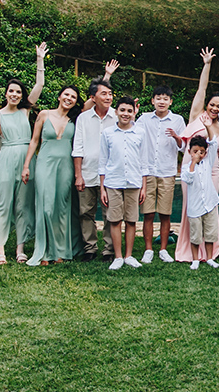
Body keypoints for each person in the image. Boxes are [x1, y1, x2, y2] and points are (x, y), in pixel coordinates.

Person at [0, 43, 47, 264]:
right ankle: (0, 249)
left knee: (23, 205)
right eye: (11, 91)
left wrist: (40, 58)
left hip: (27, 160)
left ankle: (20, 248)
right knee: (3, 204)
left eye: (18, 92)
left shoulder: (25, 111)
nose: (15, 94)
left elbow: (40, 83)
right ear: (6, 93)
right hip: (6, 159)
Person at [172, 48, 219, 265]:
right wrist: (207, 65)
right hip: (191, 169)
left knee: (210, 208)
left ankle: (210, 252)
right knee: (191, 207)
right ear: (207, 105)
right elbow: (201, 88)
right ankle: (191, 250)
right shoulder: (196, 116)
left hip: (212, 172)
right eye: (212, 104)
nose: (214, 108)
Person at [21, 86, 80, 266]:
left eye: (73, 97)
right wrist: (26, 166)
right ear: (59, 96)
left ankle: (61, 251)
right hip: (45, 164)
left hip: (66, 166)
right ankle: (45, 251)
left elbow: (96, 98)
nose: (69, 98)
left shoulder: (75, 119)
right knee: (46, 207)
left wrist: (107, 75)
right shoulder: (44, 114)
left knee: (62, 208)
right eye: (66, 94)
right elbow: (34, 141)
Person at [136, 85, 185, 264]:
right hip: (147, 172)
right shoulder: (144, 119)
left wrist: (176, 137)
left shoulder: (178, 120)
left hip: (167, 171)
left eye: (165, 98)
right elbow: (133, 135)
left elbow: (184, 146)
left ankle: (163, 249)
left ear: (170, 102)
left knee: (165, 213)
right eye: (158, 98)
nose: (162, 101)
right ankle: (148, 249)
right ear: (153, 101)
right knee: (148, 213)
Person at [99, 97, 149, 269]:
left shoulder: (141, 133)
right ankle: (118, 257)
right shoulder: (108, 133)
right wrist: (102, 188)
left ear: (134, 112)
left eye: (129, 111)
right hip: (113, 182)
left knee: (131, 220)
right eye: (122, 110)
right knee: (114, 220)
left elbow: (144, 161)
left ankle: (128, 255)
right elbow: (103, 162)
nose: (125, 114)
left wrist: (144, 186)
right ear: (116, 112)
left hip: (134, 182)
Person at [71, 78, 117, 263]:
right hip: (88, 172)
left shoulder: (117, 116)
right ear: (93, 97)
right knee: (86, 212)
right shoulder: (83, 118)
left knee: (109, 213)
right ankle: (90, 247)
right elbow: (78, 147)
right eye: (103, 93)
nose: (108, 97)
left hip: (111, 175)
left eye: (110, 94)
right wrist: (78, 175)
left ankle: (109, 249)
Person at [179, 128, 219, 270]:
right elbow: (189, 179)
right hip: (195, 207)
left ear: (205, 153)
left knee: (210, 233)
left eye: (202, 152)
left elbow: (213, 143)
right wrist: (193, 162)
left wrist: (208, 127)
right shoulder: (186, 168)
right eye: (195, 151)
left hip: (209, 204)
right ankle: (195, 259)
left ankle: (210, 258)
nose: (198, 154)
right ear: (190, 151)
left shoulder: (207, 163)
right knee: (195, 235)